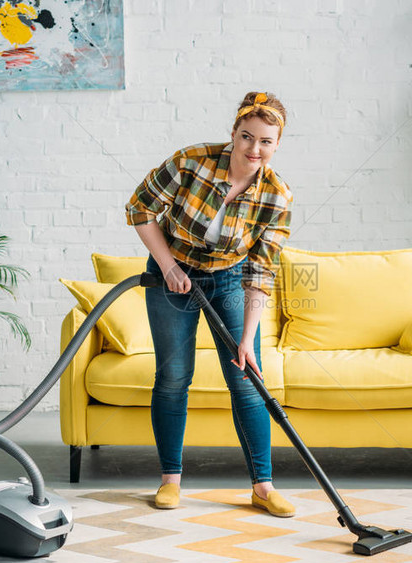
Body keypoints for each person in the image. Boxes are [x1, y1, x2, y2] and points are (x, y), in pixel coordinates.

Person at [125, 92, 294, 517]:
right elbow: (139, 208)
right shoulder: (191, 162)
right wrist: (167, 268)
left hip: (229, 279)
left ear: (277, 144)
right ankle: (170, 480)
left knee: (247, 378)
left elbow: (261, 270)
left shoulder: (276, 195)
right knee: (173, 376)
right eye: (247, 137)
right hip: (172, 272)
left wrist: (248, 339)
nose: (254, 149)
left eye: (266, 142)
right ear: (234, 133)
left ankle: (262, 487)